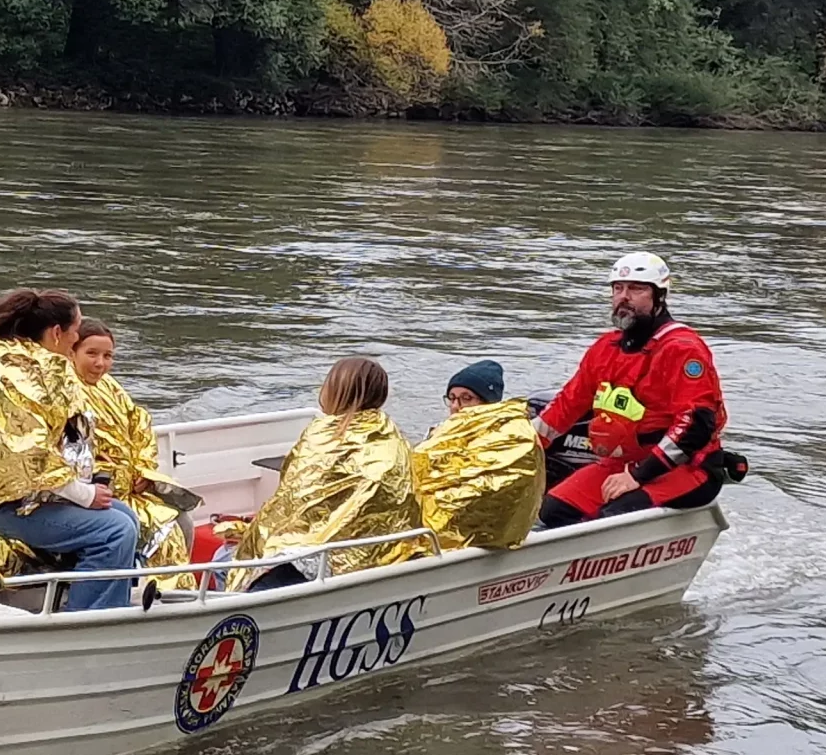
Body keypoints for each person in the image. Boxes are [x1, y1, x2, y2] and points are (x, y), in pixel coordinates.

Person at [0, 290, 143, 612]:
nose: (77, 336)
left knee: (126, 516)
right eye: (77, 330)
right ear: (58, 334)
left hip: (28, 494)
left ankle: (107, 602)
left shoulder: (33, 363)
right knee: (114, 531)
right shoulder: (15, 371)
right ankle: (87, 622)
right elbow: (31, 453)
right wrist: (83, 495)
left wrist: (87, 487)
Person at [533, 251, 731, 531]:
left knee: (613, 518)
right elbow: (565, 407)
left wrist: (638, 475)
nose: (624, 296)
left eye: (636, 289)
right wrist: (520, 446)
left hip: (685, 469)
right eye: (618, 288)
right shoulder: (605, 349)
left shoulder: (682, 349)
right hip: (621, 463)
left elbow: (695, 425)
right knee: (551, 511)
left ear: (659, 296)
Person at [233, 357, 424, 590]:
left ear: (335, 391)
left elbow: (293, 499)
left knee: (225, 560)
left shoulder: (324, 436)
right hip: (377, 556)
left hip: (306, 561)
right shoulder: (393, 436)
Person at [72, 318, 195, 582]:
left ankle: (175, 590)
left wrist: (143, 470)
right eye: (91, 354)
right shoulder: (67, 390)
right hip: (98, 490)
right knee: (166, 529)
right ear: (73, 351)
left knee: (182, 518)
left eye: (107, 356)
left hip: (131, 486)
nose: (100, 363)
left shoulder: (109, 386)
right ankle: (157, 590)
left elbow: (140, 426)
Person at [413, 358, 543, 551]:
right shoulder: (438, 434)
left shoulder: (509, 440)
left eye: (466, 398)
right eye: (452, 398)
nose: (456, 406)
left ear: (487, 403)